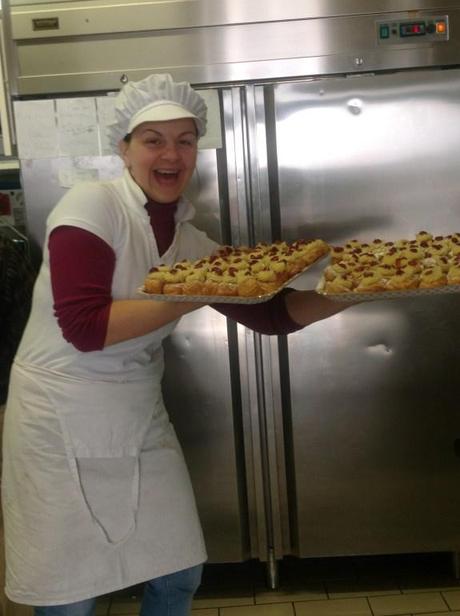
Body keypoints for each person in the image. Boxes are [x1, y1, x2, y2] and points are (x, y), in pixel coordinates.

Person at [1, 74, 353, 616]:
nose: (171, 154)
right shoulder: (91, 207)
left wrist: (357, 291)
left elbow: (273, 315)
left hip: (138, 414)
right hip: (58, 418)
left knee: (178, 571)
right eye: (153, 140)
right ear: (124, 148)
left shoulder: (191, 241)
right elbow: (85, 326)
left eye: (184, 140)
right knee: (72, 594)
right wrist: (201, 291)